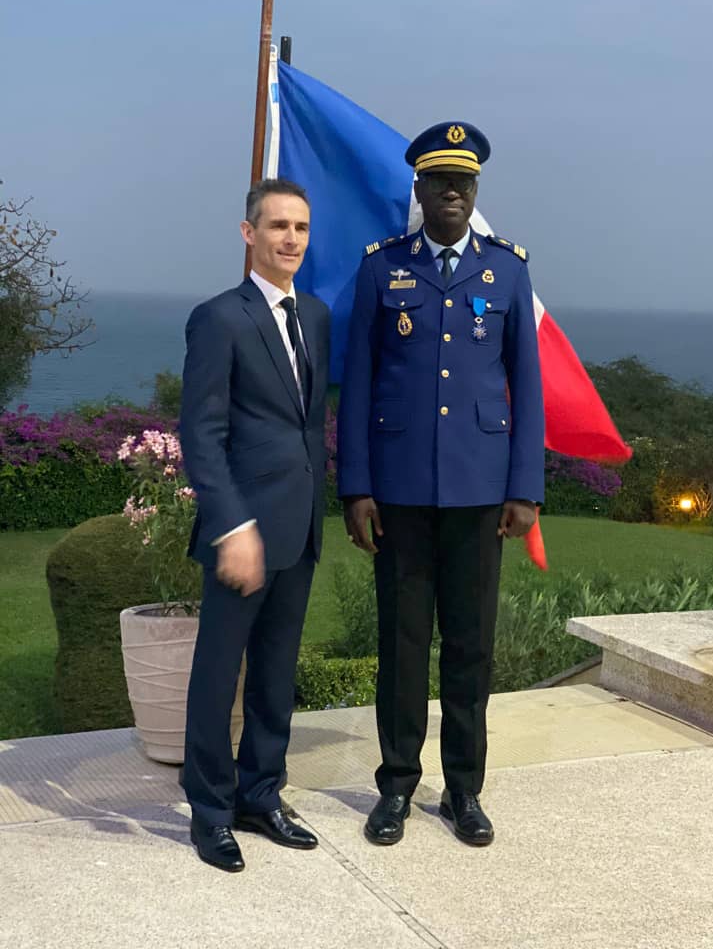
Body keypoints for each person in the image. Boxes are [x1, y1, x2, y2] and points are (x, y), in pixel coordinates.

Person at [337, 122, 544, 847]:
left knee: (470, 645)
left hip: (481, 495)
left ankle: (464, 791)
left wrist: (525, 488)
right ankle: (396, 787)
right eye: (439, 182)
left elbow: (527, 387)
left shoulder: (509, 271)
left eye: (465, 182)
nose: (452, 192)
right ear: (419, 192)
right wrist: (355, 487)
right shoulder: (380, 269)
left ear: (475, 192)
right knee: (401, 642)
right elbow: (357, 384)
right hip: (396, 493)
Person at [180, 178, 330, 872]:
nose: (290, 239)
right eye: (277, 226)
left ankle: (260, 793)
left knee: (275, 671)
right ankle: (210, 812)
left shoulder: (317, 317)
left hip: (297, 529)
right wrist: (232, 524)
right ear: (249, 234)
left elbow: (306, 426)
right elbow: (201, 434)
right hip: (241, 534)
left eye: (300, 227)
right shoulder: (219, 318)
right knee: (219, 674)